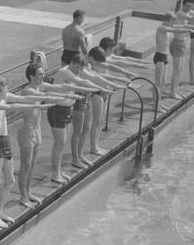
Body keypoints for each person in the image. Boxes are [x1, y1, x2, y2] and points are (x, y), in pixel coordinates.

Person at [0, 77, 56, 227]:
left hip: (5, 140)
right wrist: (42, 105)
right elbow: (12, 107)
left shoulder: (3, 98)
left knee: (10, 180)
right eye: (5, 89)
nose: (8, 91)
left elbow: (23, 98)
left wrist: (46, 98)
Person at [18, 63, 80, 206]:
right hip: (27, 132)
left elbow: (56, 88)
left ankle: (28, 191)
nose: (43, 76)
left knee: (32, 165)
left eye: (43, 74)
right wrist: (66, 96)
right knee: (25, 166)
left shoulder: (40, 86)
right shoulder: (28, 91)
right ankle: (22, 196)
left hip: (36, 130)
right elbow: (47, 97)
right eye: (40, 74)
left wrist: (75, 88)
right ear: (31, 76)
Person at [48, 54, 105, 183]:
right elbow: (81, 83)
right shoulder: (65, 72)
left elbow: (83, 81)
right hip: (57, 110)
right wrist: (100, 87)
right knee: (59, 142)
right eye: (77, 68)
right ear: (72, 63)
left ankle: (57, 171)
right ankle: (55, 174)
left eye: (80, 69)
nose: (78, 71)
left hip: (67, 109)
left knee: (62, 142)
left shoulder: (73, 72)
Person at [84, 48, 128, 157]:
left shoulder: (102, 64)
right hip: (97, 94)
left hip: (104, 94)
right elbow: (97, 79)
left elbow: (107, 76)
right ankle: (93, 147)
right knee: (96, 121)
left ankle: (96, 145)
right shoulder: (89, 66)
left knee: (100, 122)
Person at [153, 12, 194, 107]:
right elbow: (176, 29)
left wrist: (189, 27)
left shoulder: (168, 30)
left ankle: (158, 103)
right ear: (167, 20)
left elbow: (178, 28)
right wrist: (191, 29)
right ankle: (156, 105)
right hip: (159, 56)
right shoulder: (161, 28)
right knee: (158, 82)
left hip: (165, 57)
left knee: (163, 82)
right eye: (172, 20)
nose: (174, 22)